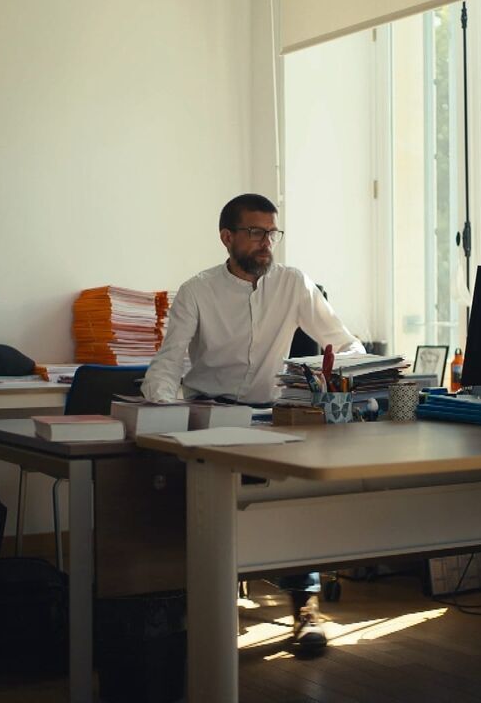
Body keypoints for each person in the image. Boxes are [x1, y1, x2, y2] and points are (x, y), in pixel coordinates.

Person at [142, 193, 365, 649]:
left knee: (294, 491)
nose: (266, 242)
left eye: (272, 233)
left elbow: (345, 346)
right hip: (210, 414)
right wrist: (165, 413)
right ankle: (202, 600)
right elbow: (168, 363)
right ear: (227, 237)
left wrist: (347, 380)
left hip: (271, 414)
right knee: (197, 499)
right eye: (255, 232)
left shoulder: (293, 283)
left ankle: (305, 604)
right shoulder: (197, 291)